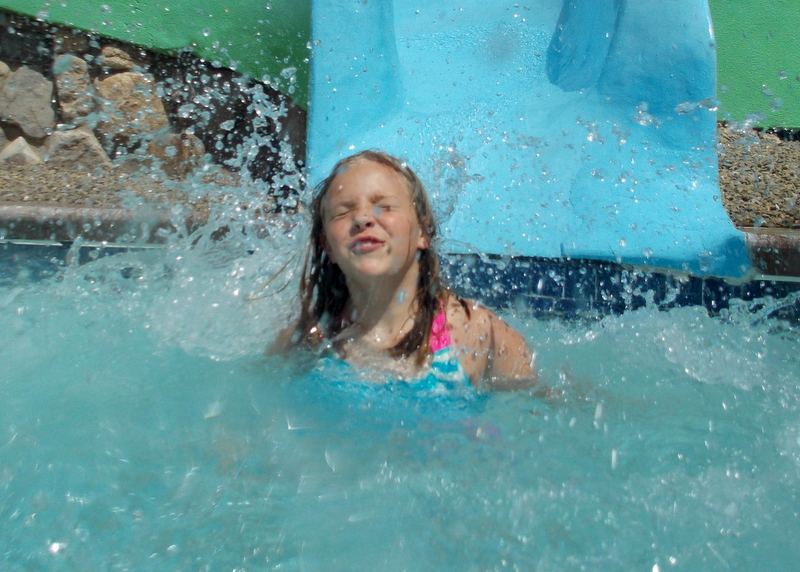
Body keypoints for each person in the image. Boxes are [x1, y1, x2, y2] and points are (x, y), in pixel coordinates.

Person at [271, 149, 538, 391]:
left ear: (423, 232)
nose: (362, 218)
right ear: (327, 246)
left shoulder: (476, 331)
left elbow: (533, 406)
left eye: (384, 207)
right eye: (343, 212)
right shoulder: (305, 342)